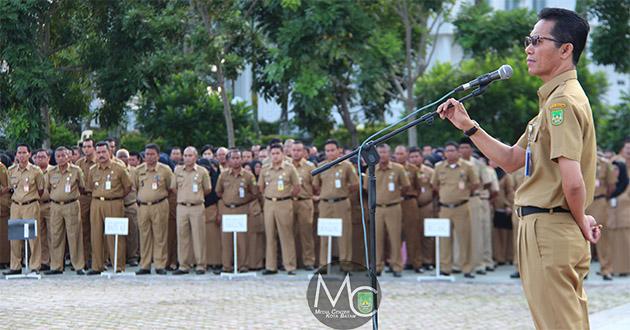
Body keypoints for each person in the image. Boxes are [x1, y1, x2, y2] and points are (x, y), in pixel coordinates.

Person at [437, 8, 598, 328]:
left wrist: (580, 220)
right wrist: (468, 126)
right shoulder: (553, 103)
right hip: (547, 226)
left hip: (549, 228)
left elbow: (573, 181)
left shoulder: (562, 103)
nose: (528, 48)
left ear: (566, 50)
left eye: (538, 41)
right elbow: (511, 160)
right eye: (529, 41)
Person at [430, 142, 479, 278]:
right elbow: (434, 185)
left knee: (464, 239)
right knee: (444, 239)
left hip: (461, 207)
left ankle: (467, 268)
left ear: (458, 153)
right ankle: (446, 268)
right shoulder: (439, 167)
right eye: (448, 151)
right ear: (444, 153)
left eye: (453, 150)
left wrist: (463, 193)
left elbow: (475, 183)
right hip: (445, 208)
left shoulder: (467, 167)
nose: (450, 153)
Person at [86, 141, 132, 274]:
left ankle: (118, 266)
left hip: (114, 203)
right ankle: (97, 266)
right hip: (96, 203)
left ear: (109, 152)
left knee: (114, 236)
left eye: (103, 152)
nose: (101, 155)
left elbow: (128, 186)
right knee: (96, 235)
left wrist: (116, 197)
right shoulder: (92, 170)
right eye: (98, 152)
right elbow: (89, 188)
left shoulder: (119, 168)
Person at [364, 144, 410, 277]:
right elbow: (367, 188)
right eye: (380, 152)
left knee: (395, 238)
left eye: (385, 152)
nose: (382, 155)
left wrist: (394, 196)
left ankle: (396, 266)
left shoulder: (398, 169)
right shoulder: (371, 169)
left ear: (389, 153)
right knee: (376, 238)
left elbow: (406, 187)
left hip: (393, 207)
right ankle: (377, 267)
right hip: (377, 208)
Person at [312, 140, 358, 270]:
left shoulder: (347, 166)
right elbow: (315, 185)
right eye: (327, 150)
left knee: (344, 234)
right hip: (325, 203)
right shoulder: (321, 166)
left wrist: (344, 192)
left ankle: (345, 265)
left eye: (332, 150)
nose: (330, 153)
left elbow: (355, 185)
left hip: (341, 203)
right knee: (325, 234)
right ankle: (324, 264)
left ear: (339, 150)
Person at [2, 144, 45, 275]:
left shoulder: (36, 171)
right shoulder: (11, 170)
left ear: (29, 154)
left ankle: (34, 266)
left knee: (33, 237)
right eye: (19, 153)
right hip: (15, 205)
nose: (21, 155)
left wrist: (31, 199)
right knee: (15, 237)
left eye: (24, 152)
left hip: (31, 205)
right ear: (16, 155)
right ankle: (15, 266)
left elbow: (41, 189)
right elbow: (9, 188)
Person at [258, 144, 300, 275]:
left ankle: (290, 266)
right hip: (269, 203)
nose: (275, 156)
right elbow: (260, 187)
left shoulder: (289, 168)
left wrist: (287, 196)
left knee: (286, 235)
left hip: (284, 202)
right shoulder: (265, 169)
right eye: (273, 153)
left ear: (282, 154)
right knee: (270, 235)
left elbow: (297, 186)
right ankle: (271, 266)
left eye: (277, 153)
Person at [44, 147, 86, 275]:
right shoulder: (51, 172)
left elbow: (82, 187)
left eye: (63, 155)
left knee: (74, 235)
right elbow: (48, 188)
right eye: (58, 156)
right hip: (56, 206)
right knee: (55, 236)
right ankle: (56, 266)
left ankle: (78, 266)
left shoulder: (76, 170)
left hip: (71, 204)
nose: (60, 158)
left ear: (69, 156)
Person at [134, 144, 175, 275]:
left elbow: (170, 187)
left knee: (160, 235)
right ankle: (145, 265)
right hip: (143, 206)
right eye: (147, 154)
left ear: (158, 155)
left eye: (152, 154)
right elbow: (135, 186)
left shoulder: (165, 170)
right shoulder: (139, 170)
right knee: (144, 236)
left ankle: (159, 264)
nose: (149, 157)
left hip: (160, 205)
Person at [216, 149, 258, 273]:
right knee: (226, 239)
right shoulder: (223, 175)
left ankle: (243, 265)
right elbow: (218, 191)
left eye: (238, 158)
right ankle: (226, 266)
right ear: (228, 160)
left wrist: (244, 200)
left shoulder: (248, 176)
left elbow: (254, 193)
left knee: (242, 240)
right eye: (233, 158)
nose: (236, 160)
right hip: (227, 209)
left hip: (242, 209)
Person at [173, 147, 211, 275]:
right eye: (185, 155)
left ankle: (200, 264)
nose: (187, 158)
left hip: (197, 206)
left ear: (195, 157)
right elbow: (174, 188)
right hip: (182, 207)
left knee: (198, 236)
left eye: (190, 155)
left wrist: (195, 198)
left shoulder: (202, 171)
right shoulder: (178, 171)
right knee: (182, 236)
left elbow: (207, 189)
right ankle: (183, 265)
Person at [408, 146, 436, 271]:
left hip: (426, 206)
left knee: (427, 234)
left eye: (416, 156)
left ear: (422, 157)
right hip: (411, 206)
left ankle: (428, 260)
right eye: (412, 157)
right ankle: (412, 260)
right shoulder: (406, 171)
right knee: (412, 234)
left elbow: (435, 188)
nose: (414, 159)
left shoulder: (429, 171)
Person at [290, 141, 316, 270]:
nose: (296, 153)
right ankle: (292, 262)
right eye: (294, 150)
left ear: (304, 152)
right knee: (290, 233)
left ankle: (308, 261)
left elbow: (316, 185)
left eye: (299, 150)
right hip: (289, 202)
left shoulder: (310, 167)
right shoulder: (286, 166)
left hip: (305, 201)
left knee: (306, 233)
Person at [117, 149, 140, 267]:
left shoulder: (135, 171)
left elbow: (140, 187)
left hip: (131, 204)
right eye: (119, 157)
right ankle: (119, 257)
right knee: (118, 234)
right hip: (117, 205)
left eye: (124, 157)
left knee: (133, 232)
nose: (122, 159)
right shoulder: (114, 169)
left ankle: (133, 257)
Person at [76, 138, 97, 266]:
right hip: (83, 198)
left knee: (97, 228)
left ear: (94, 148)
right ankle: (84, 259)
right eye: (84, 147)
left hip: (96, 197)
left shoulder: (99, 162)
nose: (86, 149)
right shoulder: (79, 164)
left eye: (89, 146)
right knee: (83, 229)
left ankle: (98, 259)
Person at [34, 149, 53, 271]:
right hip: (36, 205)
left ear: (48, 158)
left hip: (50, 205)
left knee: (53, 234)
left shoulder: (54, 171)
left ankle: (54, 261)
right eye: (38, 157)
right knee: (40, 235)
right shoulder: (33, 171)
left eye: (43, 157)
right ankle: (44, 261)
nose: (40, 159)